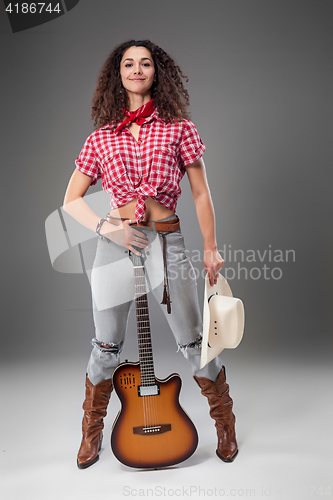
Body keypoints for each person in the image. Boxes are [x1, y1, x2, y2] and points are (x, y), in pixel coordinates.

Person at [63, 39, 238, 469]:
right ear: (117, 74)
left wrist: (210, 249)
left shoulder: (180, 128)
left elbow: (200, 194)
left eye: (145, 63)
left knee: (194, 343)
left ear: (156, 72)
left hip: (166, 240)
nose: (137, 69)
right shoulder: (101, 137)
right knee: (106, 345)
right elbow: (71, 200)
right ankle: (92, 431)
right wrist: (109, 229)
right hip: (114, 246)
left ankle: (225, 423)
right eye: (128, 63)